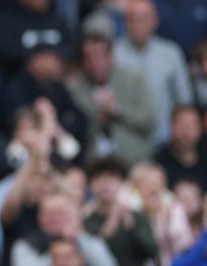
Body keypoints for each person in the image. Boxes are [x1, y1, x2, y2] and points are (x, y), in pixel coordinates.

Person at [67, 30, 156, 164]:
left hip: (134, 161)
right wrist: (96, 121)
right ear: (83, 62)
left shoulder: (132, 79)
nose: (96, 63)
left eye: (101, 56)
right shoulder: (75, 90)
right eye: (89, 58)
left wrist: (117, 110)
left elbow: (150, 120)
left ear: (111, 57)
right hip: (95, 166)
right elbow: (73, 135)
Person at [113, 0, 193, 145]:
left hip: (167, 141)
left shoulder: (171, 53)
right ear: (125, 22)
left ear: (155, 21)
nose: (139, 25)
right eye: (134, 19)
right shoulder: (114, 55)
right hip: (128, 141)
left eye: (144, 19)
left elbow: (184, 100)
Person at [153, 105, 207, 188]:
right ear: (171, 126)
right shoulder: (159, 161)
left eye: (192, 124)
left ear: (201, 128)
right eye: (181, 124)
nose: (186, 130)